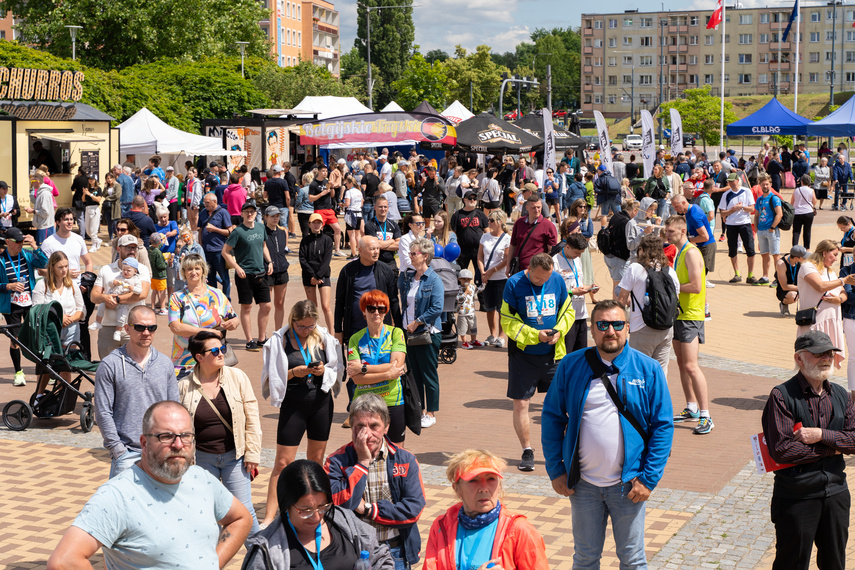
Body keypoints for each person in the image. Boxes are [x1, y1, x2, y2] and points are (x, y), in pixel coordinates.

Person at [542, 299, 673, 569]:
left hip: (629, 486)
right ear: (592, 329)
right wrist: (556, 469)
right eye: (602, 324)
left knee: (633, 560)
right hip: (583, 486)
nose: (610, 331)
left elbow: (663, 427)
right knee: (585, 558)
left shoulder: (648, 369)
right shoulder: (571, 365)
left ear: (627, 328)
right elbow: (553, 418)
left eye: (616, 324)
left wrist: (648, 480)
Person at [49, 401, 252, 570]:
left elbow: (241, 518)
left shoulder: (201, 479)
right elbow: (63, 561)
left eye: (186, 436)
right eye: (166, 436)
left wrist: (214, 563)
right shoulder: (118, 495)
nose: (178, 445)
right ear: (144, 443)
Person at [761, 331, 855, 570]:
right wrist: (834, 449)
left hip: (836, 493)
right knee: (792, 563)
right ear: (799, 359)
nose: (826, 358)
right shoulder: (781, 396)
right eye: (818, 354)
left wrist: (822, 435)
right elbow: (782, 450)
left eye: (830, 353)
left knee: (835, 563)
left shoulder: (842, 395)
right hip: (797, 496)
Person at [260, 300, 343, 528]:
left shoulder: (323, 338)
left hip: (320, 403)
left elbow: (335, 369)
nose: (307, 331)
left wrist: (322, 369)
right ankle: (270, 516)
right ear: (293, 321)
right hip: (294, 404)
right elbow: (273, 376)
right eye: (302, 327)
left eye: (310, 326)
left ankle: (315, 508)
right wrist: (294, 372)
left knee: (316, 460)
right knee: (282, 462)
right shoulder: (281, 340)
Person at [325, 394, 425, 570]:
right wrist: (362, 462)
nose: (367, 434)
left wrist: (369, 509)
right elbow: (340, 504)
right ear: (352, 427)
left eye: (374, 426)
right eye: (360, 426)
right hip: (351, 550)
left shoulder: (405, 460)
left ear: (386, 427)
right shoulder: (335, 461)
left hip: (394, 551)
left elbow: (413, 510)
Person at [179, 330, 262, 535]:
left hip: (235, 456)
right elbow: (179, 430)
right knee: (208, 512)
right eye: (215, 350)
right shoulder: (183, 386)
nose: (221, 353)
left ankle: (261, 555)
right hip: (202, 459)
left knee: (244, 509)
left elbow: (252, 417)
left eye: (222, 348)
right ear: (199, 357)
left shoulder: (238, 377)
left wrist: (252, 453)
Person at [243, 459, 395, 570]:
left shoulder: (346, 522)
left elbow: (380, 558)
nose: (316, 517)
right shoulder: (265, 550)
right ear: (286, 505)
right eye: (306, 510)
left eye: (322, 506)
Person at [501, 252, 574, 471]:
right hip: (523, 355)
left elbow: (567, 311)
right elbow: (508, 320)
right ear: (529, 269)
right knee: (522, 403)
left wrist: (559, 331)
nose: (543, 283)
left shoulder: (557, 280)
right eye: (538, 279)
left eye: (547, 279)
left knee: (564, 404)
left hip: (553, 355)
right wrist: (535, 335)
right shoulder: (513, 284)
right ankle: (527, 451)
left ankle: (566, 449)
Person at [422, 449, 548, 570]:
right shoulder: (441, 527)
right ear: (457, 488)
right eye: (473, 480)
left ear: (499, 486)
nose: (484, 488)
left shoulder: (520, 530)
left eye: (491, 479)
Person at [93, 305, 178, 477]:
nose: (146, 332)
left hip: (162, 452)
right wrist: (118, 450)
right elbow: (103, 411)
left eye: (151, 328)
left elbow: (174, 408)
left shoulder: (164, 364)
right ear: (127, 329)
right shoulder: (111, 364)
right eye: (140, 327)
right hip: (127, 454)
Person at [665, 215, 714, 434]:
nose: (667, 235)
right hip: (679, 314)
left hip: (690, 315)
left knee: (692, 366)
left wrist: (668, 286)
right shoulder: (678, 252)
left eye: (671, 232)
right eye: (666, 232)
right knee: (681, 364)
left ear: (683, 231)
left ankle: (706, 416)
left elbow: (695, 286)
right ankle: (691, 407)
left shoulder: (692, 253)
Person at [168, 253, 240, 378]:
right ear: (184, 272)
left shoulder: (216, 294)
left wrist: (234, 322)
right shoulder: (177, 297)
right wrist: (207, 332)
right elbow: (175, 327)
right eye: (189, 269)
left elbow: (233, 317)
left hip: (213, 359)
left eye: (197, 268)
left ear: (203, 271)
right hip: (185, 360)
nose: (193, 272)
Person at [618, 234, 680, 376]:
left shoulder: (635, 268)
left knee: (638, 372)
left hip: (641, 328)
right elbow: (675, 301)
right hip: (666, 329)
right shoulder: (671, 272)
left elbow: (621, 300)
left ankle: (640, 399)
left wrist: (621, 325)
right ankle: (659, 398)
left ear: (642, 250)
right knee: (660, 373)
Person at [400, 237, 445, 428]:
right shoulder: (409, 277)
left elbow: (437, 307)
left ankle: (431, 413)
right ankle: (418, 410)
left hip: (427, 333)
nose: (410, 257)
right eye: (409, 253)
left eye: (413, 253)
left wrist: (417, 322)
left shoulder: (434, 279)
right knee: (414, 374)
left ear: (425, 256)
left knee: (428, 374)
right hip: (409, 332)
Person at [222, 201, 274, 351]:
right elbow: (225, 252)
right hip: (244, 274)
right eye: (247, 212)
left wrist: (269, 262)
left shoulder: (261, 227)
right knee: (247, 306)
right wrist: (237, 267)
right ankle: (249, 340)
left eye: (252, 211)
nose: (250, 214)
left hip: (261, 273)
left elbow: (264, 246)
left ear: (256, 213)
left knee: (266, 306)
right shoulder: (238, 231)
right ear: (242, 214)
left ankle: (262, 338)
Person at [90, 234, 152, 358]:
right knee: (108, 370)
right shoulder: (106, 269)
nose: (132, 251)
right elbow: (94, 296)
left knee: (135, 368)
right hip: (108, 328)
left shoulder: (141, 269)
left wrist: (117, 299)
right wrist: (105, 298)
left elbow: (142, 294)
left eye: (134, 248)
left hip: (134, 328)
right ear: (119, 249)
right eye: (128, 248)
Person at [32, 250, 85, 392]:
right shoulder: (42, 285)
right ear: (52, 267)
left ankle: (64, 396)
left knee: (66, 366)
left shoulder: (72, 285)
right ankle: (39, 396)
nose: (64, 270)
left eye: (66, 266)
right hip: (49, 331)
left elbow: (81, 310)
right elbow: (36, 310)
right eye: (60, 267)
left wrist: (69, 319)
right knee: (46, 366)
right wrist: (58, 319)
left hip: (71, 329)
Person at [797, 239, 852, 371]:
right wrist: (843, 280)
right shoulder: (808, 267)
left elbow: (843, 292)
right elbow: (820, 286)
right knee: (811, 359)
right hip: (815, 321)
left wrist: (840, 299)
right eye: (834, 255)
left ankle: (823, 388)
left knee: (827, 361)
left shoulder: (830, 272)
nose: (835, 259)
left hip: (831, 322)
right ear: (824, 252)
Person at [0, 228, 47, 386]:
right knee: (16, 339)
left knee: (36, 336)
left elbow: (44, 263)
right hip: (11, 304)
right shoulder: (1, 260)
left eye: (22, 241)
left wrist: (35, 246)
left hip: (29, 301)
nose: (21, 244)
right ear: (8, 242)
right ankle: (18, 372)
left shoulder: (27, 254)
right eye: (17, 242)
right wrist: (8, 286)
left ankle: (45, 370)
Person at [554, 233, 596, 354]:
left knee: (581, 353)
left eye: (581, 253)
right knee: (568, 354)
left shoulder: (577, 260)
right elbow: (552, 292)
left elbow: (579, 284)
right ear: (567, 246)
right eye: (577, 252)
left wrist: (589, 288)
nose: (578, 256)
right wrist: (572, 292)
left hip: (581, 313)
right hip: (565, 315)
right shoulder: (555, 262)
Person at [477, 210, 511, 348]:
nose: (488, 222)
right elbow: (479, 256)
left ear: (499, 221)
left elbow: (506, 259)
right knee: (489, 307)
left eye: (491, 220)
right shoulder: (485, 237)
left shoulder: (507, 238)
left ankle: (502, 336)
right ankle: (492, 334)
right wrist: (482, 272)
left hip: (501, 278)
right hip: (487, 278)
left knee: (502, 309)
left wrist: (491, 271)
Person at [300, 212, 335, 330]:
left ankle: (332, 334)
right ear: (309, 224)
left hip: (323, 275)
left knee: (326, 306)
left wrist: (318, 276)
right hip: (308, 276)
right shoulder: (305, 240)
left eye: (318, 223)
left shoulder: (327, 240)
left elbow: (327, 260)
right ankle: (313, 331)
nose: (316, 225)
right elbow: (302, 259)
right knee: (312, 307)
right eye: (314, 223)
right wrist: (312, 276)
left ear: (322, 225)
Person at [508, 193, 558, 274]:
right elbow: (513, 245)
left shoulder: (548, 226)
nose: (537, 210)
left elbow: (551, 251)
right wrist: (508, 266)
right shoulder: (519, 222)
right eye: (533, 208)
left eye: (538, 207)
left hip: (537, 271)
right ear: (527, 208)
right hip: (518, 270)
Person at [721, 172, 757, 284]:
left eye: (732, 181)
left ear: (737, 180)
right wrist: (733, 210)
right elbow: (722, 213)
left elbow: (752, 208)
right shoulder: (726, 194)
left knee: (750, 249)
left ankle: (750, 275)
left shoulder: (746, 191)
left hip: (744, 223)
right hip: (731, 225)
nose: (731, 183)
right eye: (729, 181)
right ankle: (737, 274)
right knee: (732, 250)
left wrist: (742, 207)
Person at [451, 191, 490, 284]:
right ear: (464, 200)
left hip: (478, 250)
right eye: (470, 198)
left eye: (474, 199)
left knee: (481, 274)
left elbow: (487, 232)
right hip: (462, 250)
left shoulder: (480, 214)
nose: (472, 200)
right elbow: (453, 234)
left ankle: (481, 296)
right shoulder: (457, 215)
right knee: (460, 275)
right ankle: (461, 296)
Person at [308, 164, 345, 257]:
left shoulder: (327, 182)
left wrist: (332, 187)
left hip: (329, 209)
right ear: (319, 172)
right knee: (318, 230)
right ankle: (317, 248)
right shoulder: (314, 184)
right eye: (323, 171)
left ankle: (337, 249)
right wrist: (321, 194)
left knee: (337, 229)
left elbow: (332, 195)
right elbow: (310, 198)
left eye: (326, 171)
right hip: (319, 209)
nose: (325, 173)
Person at [754, 173, 784, 285]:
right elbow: (756, 215)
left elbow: (779, 213)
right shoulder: (759, 200)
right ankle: (765, 276)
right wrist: (757, 228)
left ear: (770, 184)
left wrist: (772, 227)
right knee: (764, 254)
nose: (765, 186)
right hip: (761, 231)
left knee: (776, 254)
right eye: (763, 185)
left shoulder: (774, 198)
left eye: (767, 184)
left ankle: (778, 278)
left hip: (771, 230)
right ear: (760, 186)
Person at [365, 195, 402, 272]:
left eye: (385, 207)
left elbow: (399, 245)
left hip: (391, 263)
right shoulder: (370, 224)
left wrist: (381, 245)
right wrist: (391, 241)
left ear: (388, 208)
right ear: (375, 207)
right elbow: (374, 245)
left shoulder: (393, 224)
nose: (383, 209)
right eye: (380, 207)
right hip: (375, 263)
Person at [776, 245, 806, 317]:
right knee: (793, 296)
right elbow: (784, 286)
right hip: (785, 290)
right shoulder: (781, 264)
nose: (805, 258)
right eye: (803, 257)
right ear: (796, 258)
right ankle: (784, 304)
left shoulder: (799, 261)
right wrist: (802, 288)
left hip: (798, 286)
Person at [27, 170, 55, 245]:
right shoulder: (41, 193)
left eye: (32, 182)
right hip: (43, 226)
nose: (32, 184)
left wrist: (33, 211)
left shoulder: (44, 194)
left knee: (43, 251)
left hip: (45, 227)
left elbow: (45, 213)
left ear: (38, 181)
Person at [792, 174, 818, 249]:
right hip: (808, 212)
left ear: (802, 182)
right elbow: (814, 200)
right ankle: (807, 248)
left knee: (796, 231)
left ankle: (795, 247)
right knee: (807, 231)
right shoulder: (811, 190)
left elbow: (792, 202)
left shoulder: (796, 190)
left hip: (797, 212)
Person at [343, 174, 364, 256]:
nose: (346, 185)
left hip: (351, 214)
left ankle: (354, 253)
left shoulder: (348, 192)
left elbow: (347, 204)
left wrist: (342, 204)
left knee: (351, 235)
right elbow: (361, 204)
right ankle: (360, 253)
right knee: (357, 235)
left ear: (351, 183)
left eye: (347, 183)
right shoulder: (359, 191)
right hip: (359, 213)